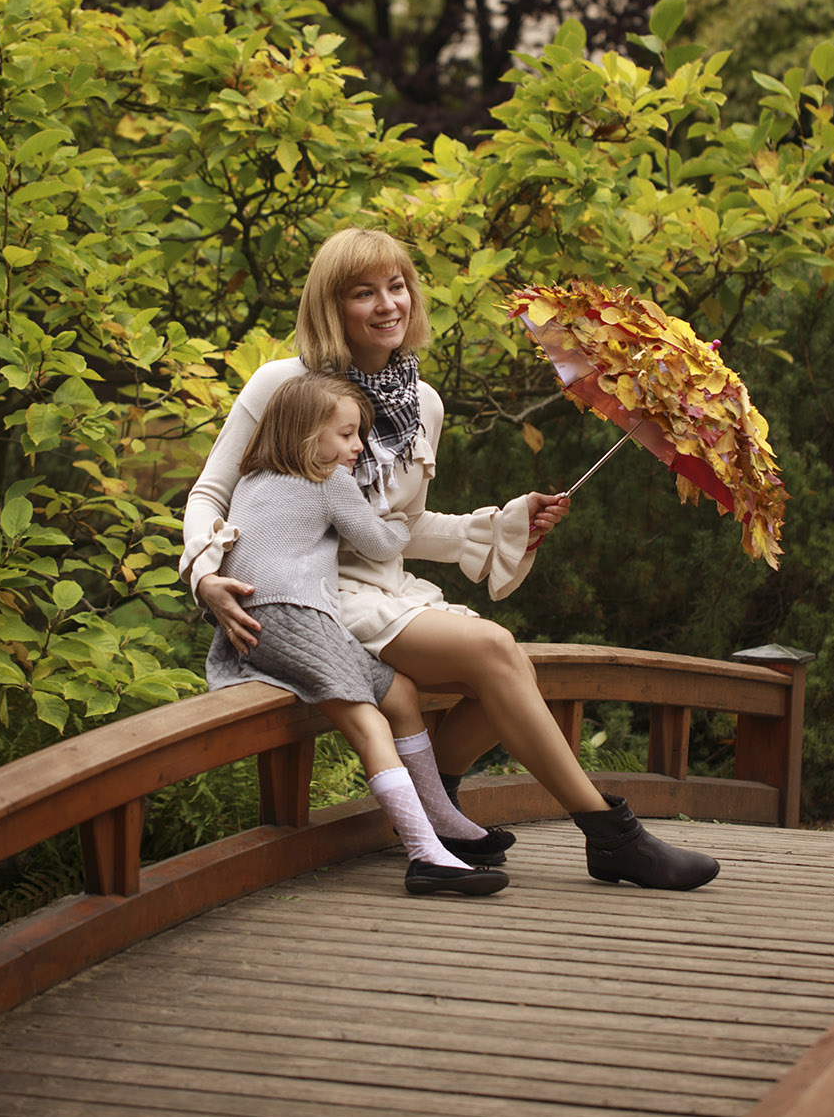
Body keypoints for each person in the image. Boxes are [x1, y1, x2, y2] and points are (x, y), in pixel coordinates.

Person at [182, 227, 719, 891]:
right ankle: (611, 835)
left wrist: (508, 521)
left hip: (388, 585)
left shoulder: (423, 402)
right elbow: (211, 491)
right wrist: (204, 574)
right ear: (330, 306)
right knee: (495, 651)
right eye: (364, 292)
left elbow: (401, 528)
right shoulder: (284, 385)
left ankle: (432, 801)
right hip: (315, 592)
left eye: (398, 285)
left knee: (505, 672)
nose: (388, 304)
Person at [202, 370, 508, 896]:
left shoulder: (252, 482)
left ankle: (442, 821)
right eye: (346, 434)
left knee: (400, 692)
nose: (357, 446)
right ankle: (425, 855)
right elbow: (381, 545)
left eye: (360, 434)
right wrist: (398, 520)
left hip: (265, 618)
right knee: (369, 722)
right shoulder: (328, 481)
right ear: (306, 437)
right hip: (296, 615)